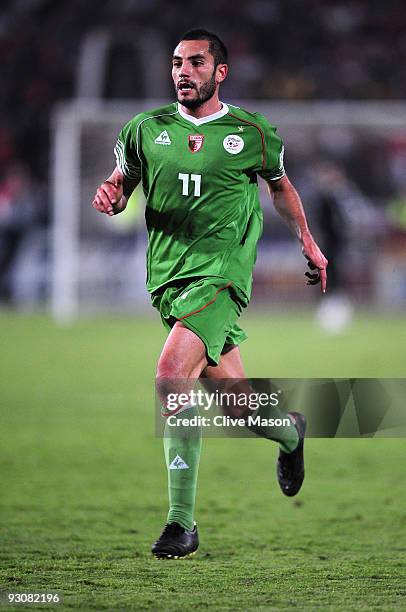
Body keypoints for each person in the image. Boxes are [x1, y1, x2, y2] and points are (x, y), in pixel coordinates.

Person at [92, 29, 328, 560]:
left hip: (222, 275)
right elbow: (120, 183)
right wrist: (110, 195)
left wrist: (308, 243)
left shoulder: (251, 131)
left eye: (196, 62)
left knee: (171, 376)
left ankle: (181, 523)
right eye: (177, 62)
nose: (183, 71)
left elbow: (281, 187)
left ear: (220, 72)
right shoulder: (144, 130)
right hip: (170, 280)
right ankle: (289, 433)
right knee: (236, 405)